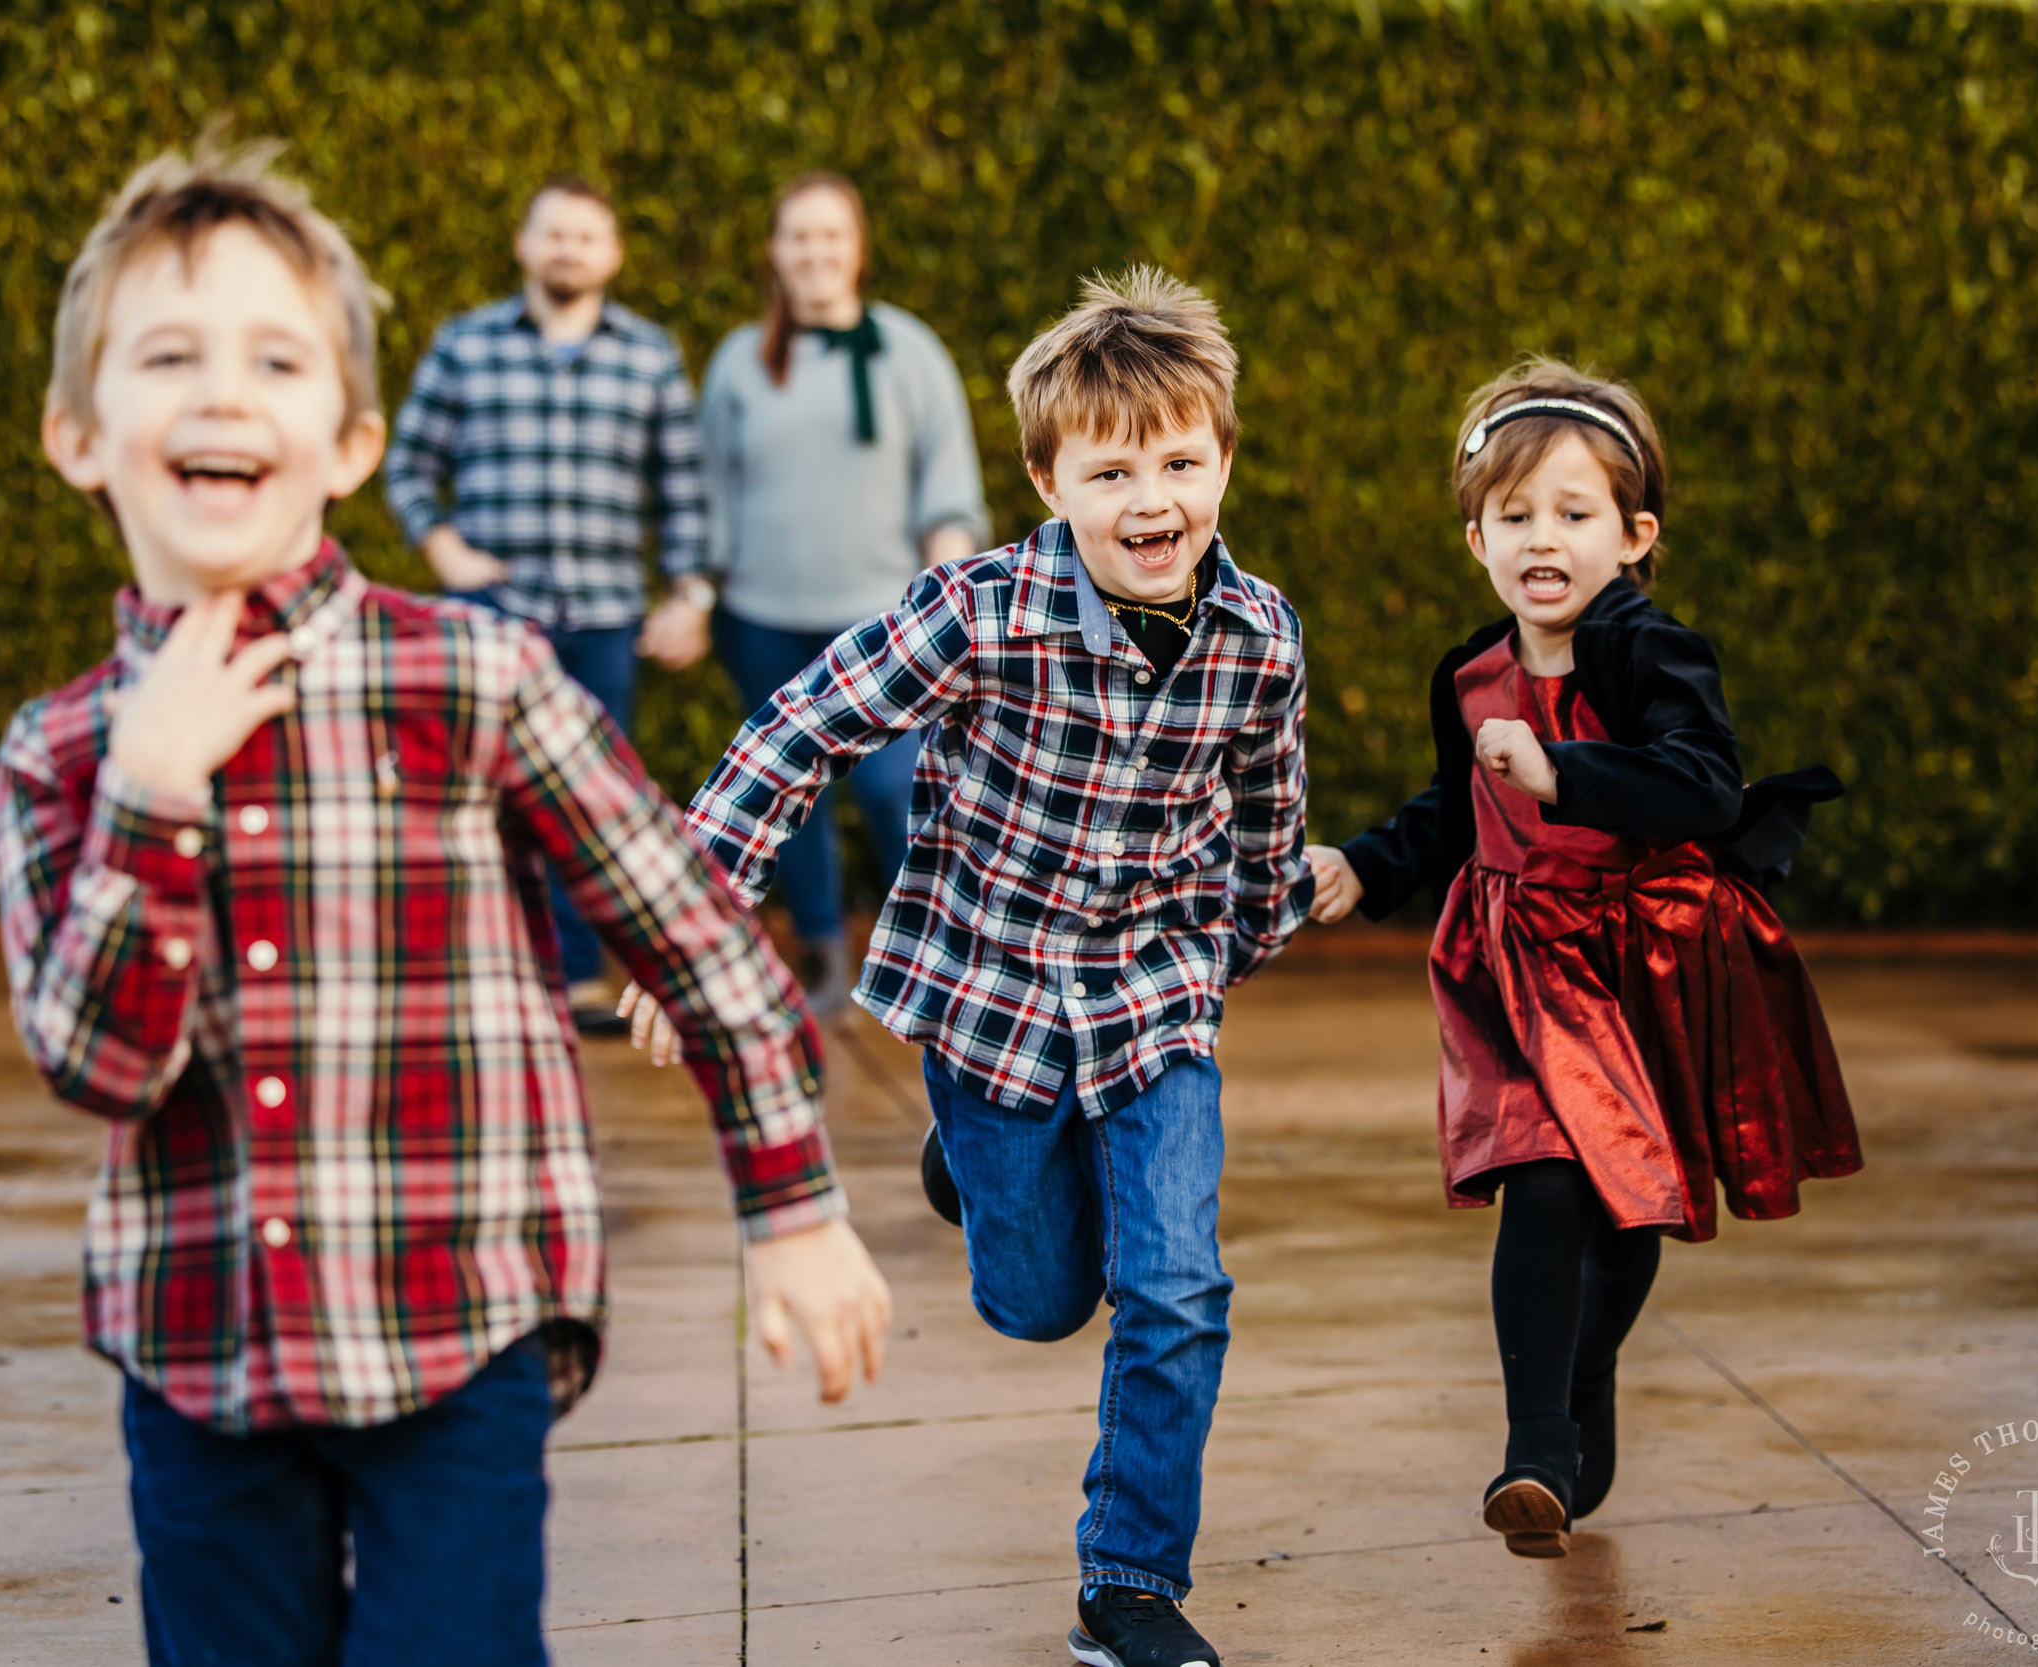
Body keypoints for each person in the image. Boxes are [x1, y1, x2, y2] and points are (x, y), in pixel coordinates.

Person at [0, 135, 891, 1665]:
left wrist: (793, 1203)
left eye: (274, 358)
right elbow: (101, 1063)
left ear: (348, 438)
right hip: (198, 1350)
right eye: (168, 355)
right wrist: (151, 794)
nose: (222, 392)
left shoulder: (471, 675)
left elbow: (696, 936)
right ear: (81, 432)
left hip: (457, 1320)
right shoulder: (64, 752)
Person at [627, 269, 1353, 1667]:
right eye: (1113, 468)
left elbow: (1265, 813)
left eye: (1183, 462)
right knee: (1038, 1300)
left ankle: (1128, 1580)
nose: (1154, 500)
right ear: (1046, 475)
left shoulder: (1260, 640)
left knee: (1177, 1286)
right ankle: (972, 1169)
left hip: (1155, 994)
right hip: (997, 996)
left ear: (1226, 459)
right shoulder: (976, 610)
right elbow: (797, 731)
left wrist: (1241, 939)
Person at [1319, 359, 1863, 1558]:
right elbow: (1452, 811)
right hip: (1518, 965)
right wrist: (1366, 865)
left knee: (1623, 1219)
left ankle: (1585, 1380)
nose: (1541, 538)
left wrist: (1568, 771)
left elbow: (1703, 783)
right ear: (1475, 537)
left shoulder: (1649, 650)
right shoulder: (1469, 675)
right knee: (1544, 1175)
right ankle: (1536, 1452)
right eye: (1512, 516)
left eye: (1572, 513)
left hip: (1643, 958)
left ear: (1634, 532)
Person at [385, 175, 714, 1032]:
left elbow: (682, 491)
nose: (568, 249)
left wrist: (689, 592)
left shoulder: (650, 356)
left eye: (585, 236)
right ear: (525, 246)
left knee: (589, 802)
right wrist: (442, 545)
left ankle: (573, 976)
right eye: (553, 234)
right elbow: (407, 461)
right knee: (476, 795)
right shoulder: (465, 345)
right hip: (495, 609)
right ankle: (478, 972)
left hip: (606, 615)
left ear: (611, 254)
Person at [699, 173, 990, 1015]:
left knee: (898, 789)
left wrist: (947, 606)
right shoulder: (739, 362)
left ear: (858, 248)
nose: (815, 253)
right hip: (762, 617)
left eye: (831, 236)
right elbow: (712, 491)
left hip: (882, 631)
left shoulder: (908, 351)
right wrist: (697, 589)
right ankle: (821, 954)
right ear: (775, 253)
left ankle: (931, 958)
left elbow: (948, 490)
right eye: (798, 237)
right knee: (792, 793)